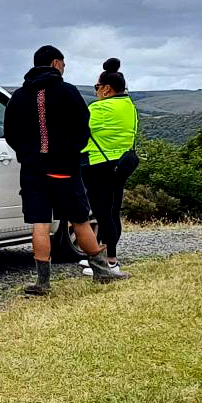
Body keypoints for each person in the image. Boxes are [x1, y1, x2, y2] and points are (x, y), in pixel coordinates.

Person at [4, 45, 123, 295]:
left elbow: (11, 133)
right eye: (64, 64)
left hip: (32, 169)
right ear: (56, 63)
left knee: (40, 223)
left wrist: (27, 154)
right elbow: (83, 129)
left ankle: (43, 282)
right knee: (79, 219)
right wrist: (71, 153)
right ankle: (102, 272)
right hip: (64, 169)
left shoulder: (19, 96)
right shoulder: (68, 92)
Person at [79, 58, 141, 278]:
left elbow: (78, 131)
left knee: (102, 212)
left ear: (106, 89)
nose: (96, 91)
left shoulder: (99, 108)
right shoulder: (130, 107)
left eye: (97, 87)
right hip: (121, 164)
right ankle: (111, 259)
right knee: (113, 211)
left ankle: (108, 263)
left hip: (98, 164)